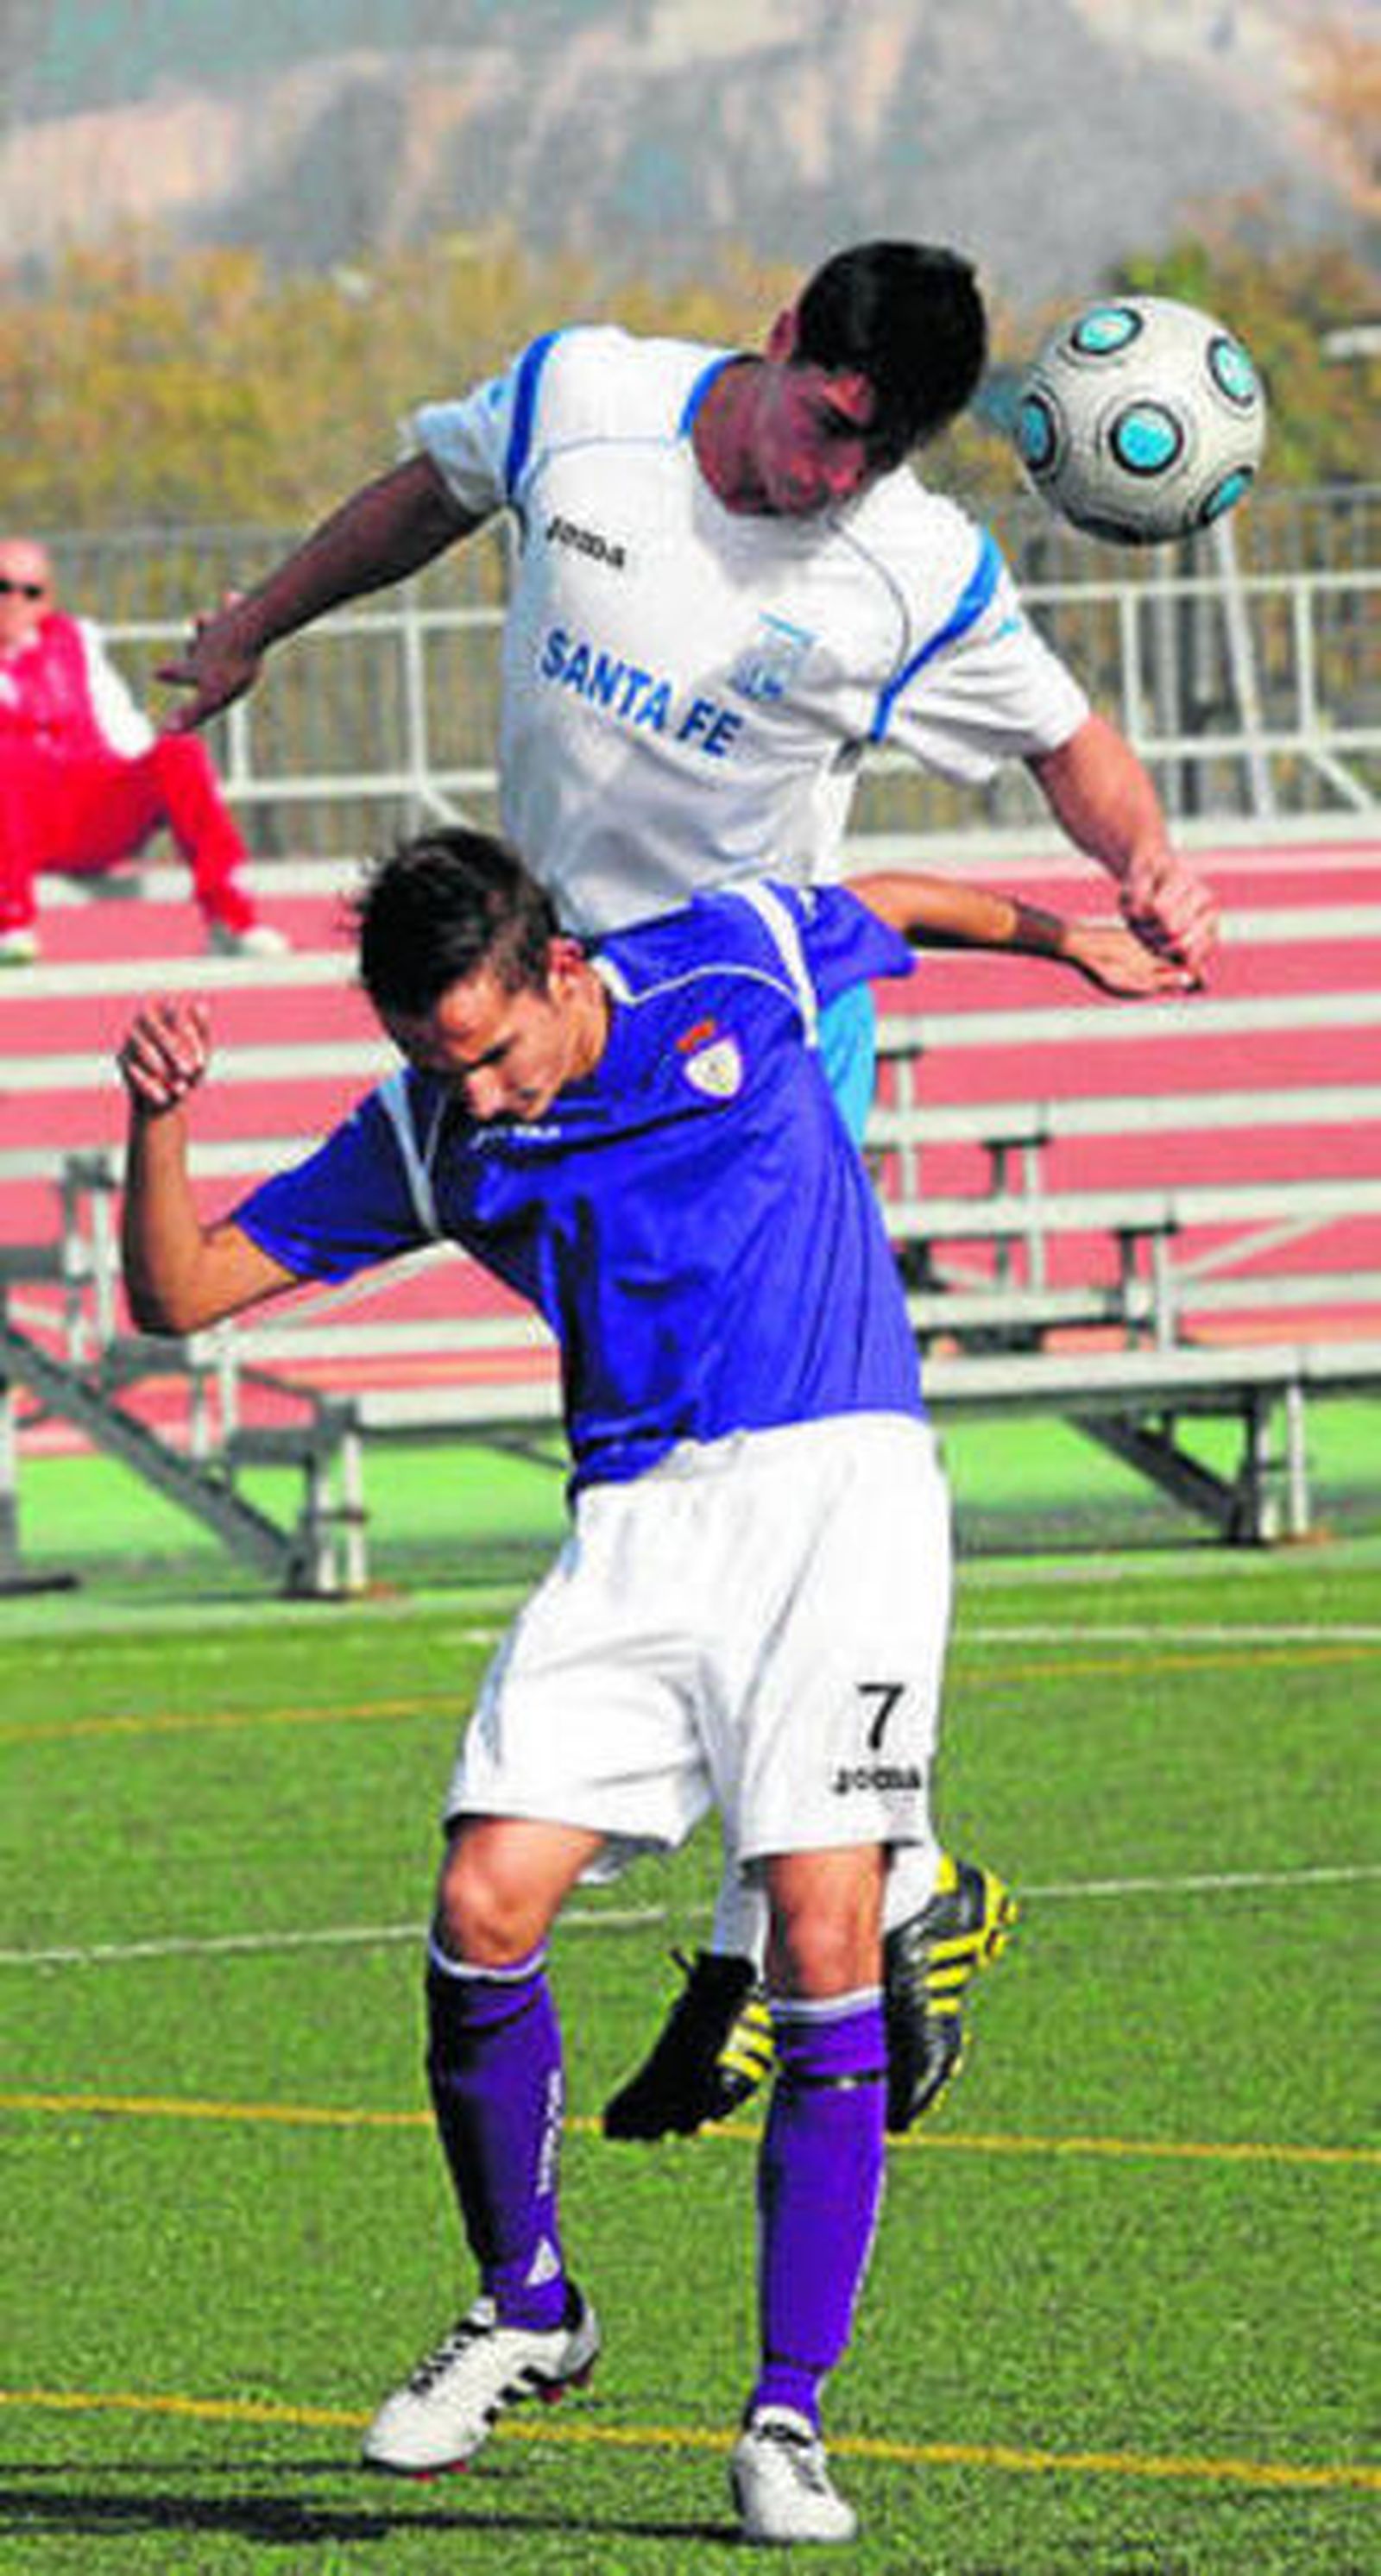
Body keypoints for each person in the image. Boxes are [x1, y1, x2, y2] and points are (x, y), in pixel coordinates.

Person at [154, 238, 1220, 2133]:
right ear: (780, 337)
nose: (831, 478)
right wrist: (255, 624)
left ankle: (782, 1940)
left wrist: (1141, 865)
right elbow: (423, 493)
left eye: (870, 455)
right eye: (823, 425)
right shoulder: (583, 401)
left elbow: (1065, 741)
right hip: (548, 1037)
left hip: (743, 1029)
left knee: (747, 1469)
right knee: (661, 1468)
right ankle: (884, 1892)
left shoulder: (907, 568)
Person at [117, 825, 1186, 2545]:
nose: (471, 1094)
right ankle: (528, 2297)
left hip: (838, 1486)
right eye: (428, 1063)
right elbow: (178, 1291)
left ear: (555, 969)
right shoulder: (432, 1130)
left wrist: (1074, 943)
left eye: (483, 1051)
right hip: (633, 1523)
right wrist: (157, 1114)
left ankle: (785, 2415)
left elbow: (898, 899)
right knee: (481, 1896)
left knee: (825, 1931)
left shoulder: (732, 959)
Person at [0, 535, 286, 964]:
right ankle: (10, 925)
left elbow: (128, 738)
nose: (14, 602)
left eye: (30, 592)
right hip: (15, 829)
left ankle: (230, 916)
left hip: (89, 808)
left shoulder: (76, 646)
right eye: (2, 588)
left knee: (180, 754)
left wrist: (150, 785)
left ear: (47, 601)